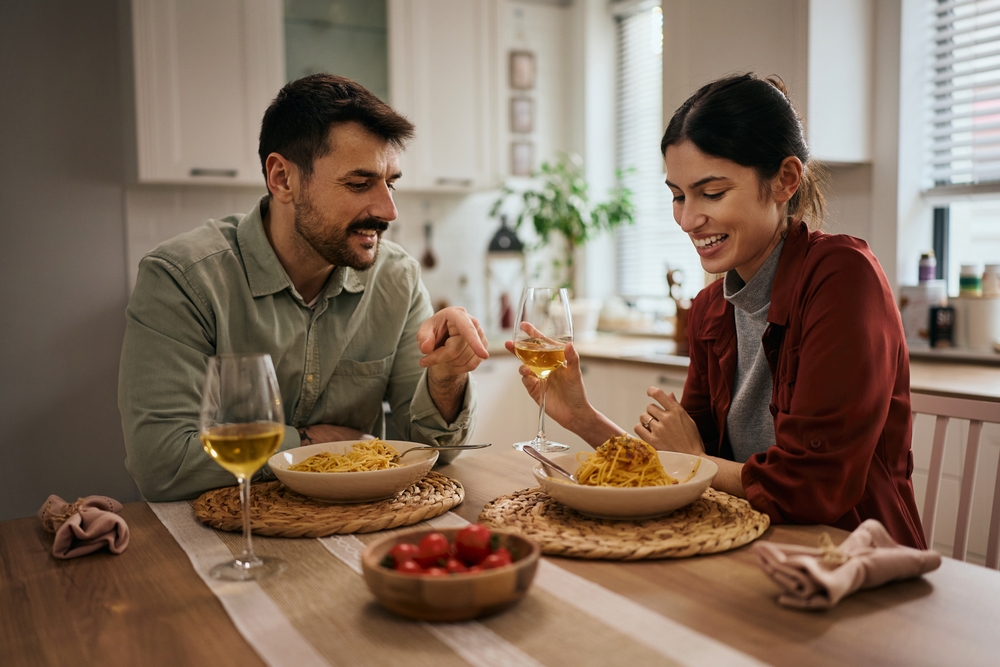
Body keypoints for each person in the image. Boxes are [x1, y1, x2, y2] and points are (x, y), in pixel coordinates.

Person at [509, 73, 926, 548]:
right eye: (678, 195)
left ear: (785, 180)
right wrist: (581, 416)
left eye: (712, 193)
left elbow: (813, 488)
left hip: (853, 559)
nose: (688, 219)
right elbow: (675, 467)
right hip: (750, 548)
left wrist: (697, 461)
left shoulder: (842, 278)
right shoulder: (711, 309)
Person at [120, 74, 488, 502]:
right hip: (221, 543)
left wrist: (445, 379)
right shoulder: (182, 279)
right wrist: (310, 443)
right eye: (359, 183)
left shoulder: (396, 279)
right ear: (282, 179)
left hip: (358, 530)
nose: (388, 210)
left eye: (391, 182)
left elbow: (429, 452)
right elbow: (161, 464)